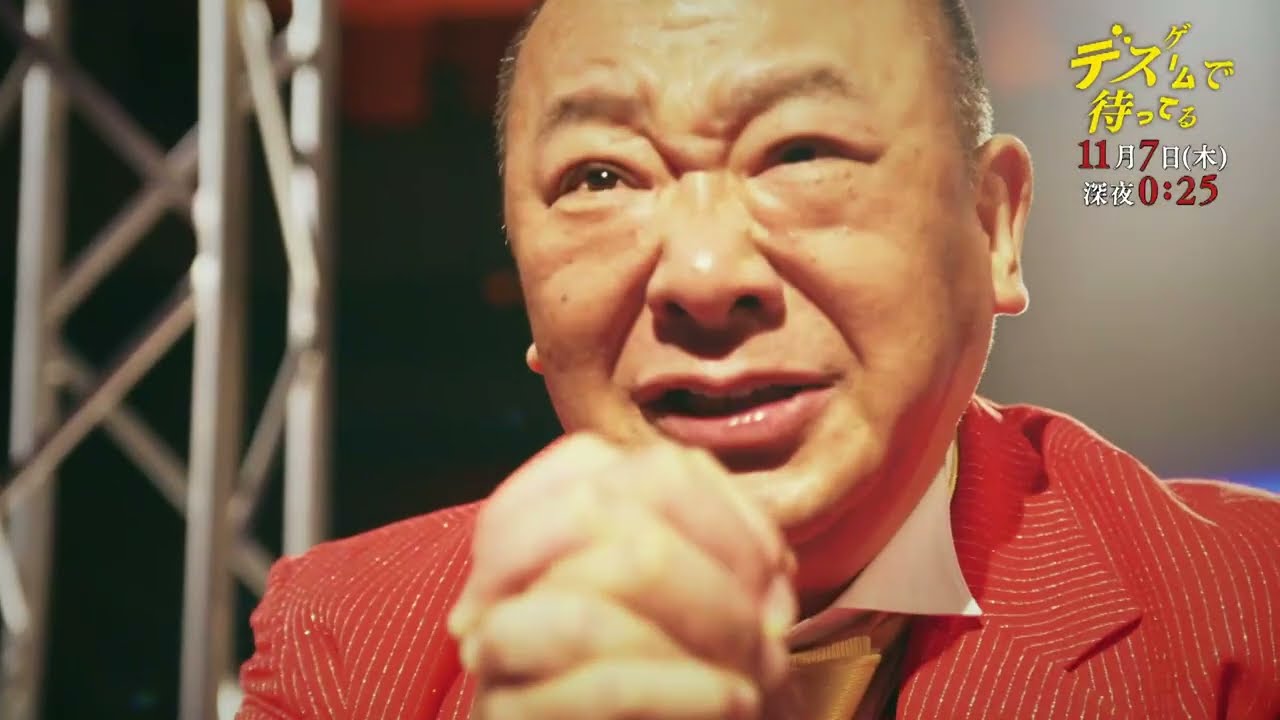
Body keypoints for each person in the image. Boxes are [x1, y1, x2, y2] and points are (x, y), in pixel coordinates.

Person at [237, 0, 1280, 717]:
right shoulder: (347, 645)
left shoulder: (1245, 613)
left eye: (801, 152)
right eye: (600, 176)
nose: (701, 273)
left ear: (991, 226)